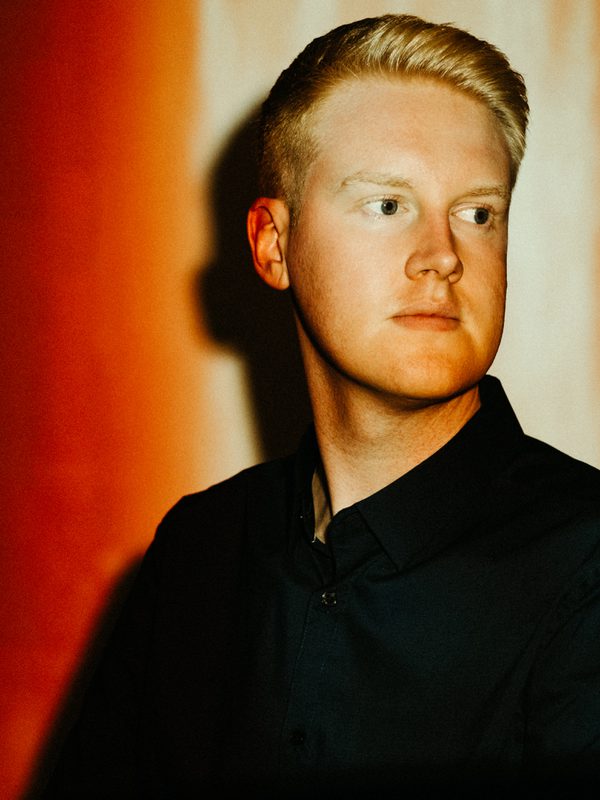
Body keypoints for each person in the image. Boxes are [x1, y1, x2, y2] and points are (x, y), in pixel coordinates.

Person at [43, 13, 600, 798]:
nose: (444, 256)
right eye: (386, 204)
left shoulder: (586, 564)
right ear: (274, 246)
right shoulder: (198, 552)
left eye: (478, 213)